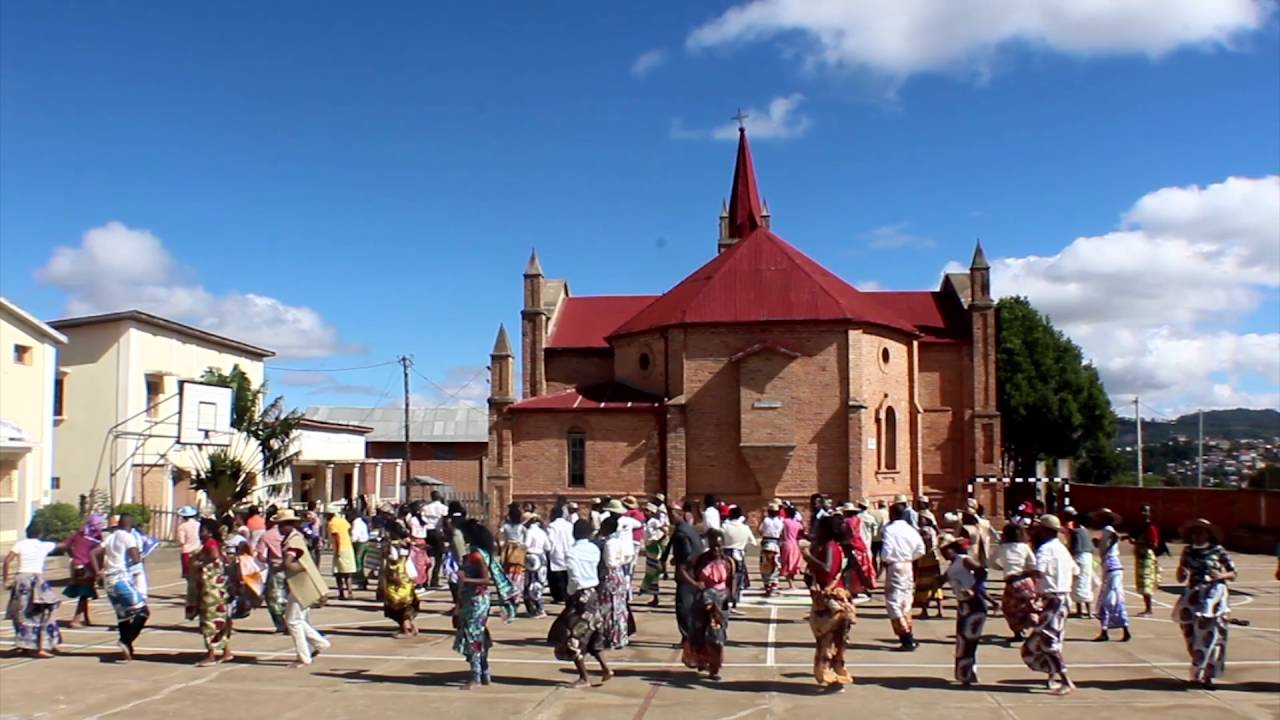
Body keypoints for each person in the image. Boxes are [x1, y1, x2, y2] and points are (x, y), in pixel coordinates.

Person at [548, 519, 611, 688]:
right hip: (594, 593)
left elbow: (574, 577)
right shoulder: (593, 549)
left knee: (573, 637)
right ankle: (605, 668)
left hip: (580, 595)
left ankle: (584, 677)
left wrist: (570, 593)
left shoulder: (572, 552)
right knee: (594, 632)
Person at [1173, 518, 1235, 689]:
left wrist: (1220, 576)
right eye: (1194, 532)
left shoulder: (1218, 550)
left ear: (1209, 534)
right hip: (1193, 595)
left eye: (1201, 532)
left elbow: (1233, 572)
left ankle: (1205, 676)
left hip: (1212, 595)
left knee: (1210, 636)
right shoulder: (1188, 551)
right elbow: (1181, 577)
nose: (1197, 535)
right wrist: (1181, 571)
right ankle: (1198, 668)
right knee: (1190, 635)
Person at [1021, 514, 1077, 695]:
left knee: (1047, 641)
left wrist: (1022, 577)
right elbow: (1076, 571)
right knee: (1053, 639)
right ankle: (1051, 677)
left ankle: (1066, 681)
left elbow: (1038, 571)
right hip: (1063, 597)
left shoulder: (1045, 549)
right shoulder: (1062, 549)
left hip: (1053, 598)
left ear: (1043, 530)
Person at [804, 515, 857, 692]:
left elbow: (826, 569)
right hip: (838, 597)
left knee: (826, 640)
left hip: (831, 601)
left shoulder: (829, 546)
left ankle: (830, 677)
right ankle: (836, 674)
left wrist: (808, 557)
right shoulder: (838, 547)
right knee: (837, 640)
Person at [278, 509, 331, 668]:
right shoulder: (295, 538)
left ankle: (303, 657)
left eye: (283, 524)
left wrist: (283, 565)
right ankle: (320, 643)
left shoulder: (293, 541)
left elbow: (292, 563)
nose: (280, 528)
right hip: (300, 584)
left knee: (293, 621)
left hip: (302, 584)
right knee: (296, 619)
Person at [94, 513, 149, 662]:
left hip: (109, 580)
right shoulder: (127, 536)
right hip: (120, 578)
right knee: (143, 611)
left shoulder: (111, 537)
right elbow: (136, 558)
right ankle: (126, 640)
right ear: (130, 525)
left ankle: (127, 650)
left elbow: (93, 552)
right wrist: (140, 555)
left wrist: (98, 572)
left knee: (123, 615)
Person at [679, 528, 733, 682]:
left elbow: (732, 581)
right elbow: (682, 569)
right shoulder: (701, 559)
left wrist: (729, 597)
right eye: (714, 546)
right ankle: (701, 660)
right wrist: (695, 584)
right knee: (699, 633)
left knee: (717, 636)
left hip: (719, 604)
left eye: (719, 546)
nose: (716, 549)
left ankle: (715, 668)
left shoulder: (727, 561)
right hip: (702, 601)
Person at [2, 531, 68, 657]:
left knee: (20, 613)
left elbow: (7, 561)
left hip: (21, 579)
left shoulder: (20, 544)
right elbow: (63, 545)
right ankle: (40, 647)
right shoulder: (44, 545)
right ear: (40, 534)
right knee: (42, 613)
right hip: (37, 580)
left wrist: (5, 580)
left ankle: (24, 644)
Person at [454, 521, 497, 689]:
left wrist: (465, 579)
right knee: (478, 635)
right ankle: (484, 672)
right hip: (473, 599)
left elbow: (486, 579)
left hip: (476, 600)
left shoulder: (476, 555)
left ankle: (476, 676)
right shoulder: (479, 553)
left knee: (473, 636)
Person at [186, 518, 233, 667]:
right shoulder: (216, 543)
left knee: (209, 622)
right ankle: (226, 652)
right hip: (217, 588)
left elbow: (213, 556)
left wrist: (198, 562)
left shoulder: (210, 543)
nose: (200, 533)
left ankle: (211, 654)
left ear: (210, 531)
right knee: (221, 621)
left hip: (210, 588)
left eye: (203, 530)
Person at [880, 503, 925, 650]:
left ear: (892, 514)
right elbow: (921, 549)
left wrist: (886, 559)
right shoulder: (911, 530)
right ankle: (908, 630)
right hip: (908, 565)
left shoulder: (889, 530)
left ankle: (906, 636)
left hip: (895, 565)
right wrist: (910, 557)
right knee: (906, 600)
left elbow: (886, 549)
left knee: (893, 601)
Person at [943, 537, 986, 686]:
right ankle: (966, 673)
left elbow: (981, 572)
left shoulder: (964, 560)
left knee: (969, 641)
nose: (943, 553)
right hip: (963, 605)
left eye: (945, 549)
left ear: (953, 548)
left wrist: (973, 590)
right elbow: (941, 580)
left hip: (974, 604)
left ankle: (968, 674)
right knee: (963, 641)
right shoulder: (952, 566)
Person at [664, 503, 706, 642]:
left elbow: (686, 556)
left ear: (680, 514)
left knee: (684, 608)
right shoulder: (689, 530)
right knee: (692, 607)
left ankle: (687, 637)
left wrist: (682, 567)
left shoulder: (681, 533)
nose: (670, 517)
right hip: (695, 571)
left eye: (672, 514)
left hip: (687, 575)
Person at [992, 523, 1037, 642]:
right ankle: (1035, 625)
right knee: (1029, 606)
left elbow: (990, 562)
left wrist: (1002, 568)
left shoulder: (1002, 547)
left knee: (1009, 609)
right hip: (1026, 581)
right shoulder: (1025, 546)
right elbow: (1033, 564)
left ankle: (1018, 632)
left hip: (1011, 582)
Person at [1091, 508, 1132, 642]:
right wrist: (1101, 544)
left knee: (1106, 600)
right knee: (1116, 598)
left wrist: (1108, 547)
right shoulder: (1107, 531)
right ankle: (1123, 628)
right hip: (1113, 566)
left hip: (1111, 566)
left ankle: (1105, 630)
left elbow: (1114, 538)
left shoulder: (1107, 529)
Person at [63, 512, 105, 628]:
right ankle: (76, 619)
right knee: (84, 593)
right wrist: (99, 570)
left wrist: (73, 556)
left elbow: (65, 546)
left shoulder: (78, 534)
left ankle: (86, 618)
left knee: (85, 592)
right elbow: (99, 554)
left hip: (76, 565)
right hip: (88, 567)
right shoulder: (96, 537)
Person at [599, 516, 634, 650]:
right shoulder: (619, 541)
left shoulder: (609, 543)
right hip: (619, 574)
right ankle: (620, 636)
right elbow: (627, 557)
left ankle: (612, 637)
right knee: (619, 607)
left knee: (610, 607)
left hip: (610, 576)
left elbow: (610, 563)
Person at [380, 521, 420, 637]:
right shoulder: (407, 543)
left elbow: (394, 559)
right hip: (406, 574)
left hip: (397, 576)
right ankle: (412, 626)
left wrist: (385, 553)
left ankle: (405, 629)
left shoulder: (394, 545)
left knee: (397, 603)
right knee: (408, 601)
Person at [257, 509, 289, 634]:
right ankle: (293, 621)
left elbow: (260, 555)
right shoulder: (294, 533)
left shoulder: (267, 535)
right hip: (292, 568)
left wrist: (268, 561)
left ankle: (281, 624)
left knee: (273, 598)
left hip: (276, 568)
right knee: (290, 596)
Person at [1128, 504, 1161, 617]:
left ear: (1150, 513)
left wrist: (1137, 543)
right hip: (1140, 556)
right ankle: (1147, 608)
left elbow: (1154, 545)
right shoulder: (1140, 526)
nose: (1143, 513)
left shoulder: (1150, 527)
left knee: (1146, 583)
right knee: (1142, 584)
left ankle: (1149, 609)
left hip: (1146, 557)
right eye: (1141, 511)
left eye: (1145, 511)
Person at [720, 507, 756, 613]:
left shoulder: (724, 526)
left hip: (725, 555)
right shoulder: (745, 528)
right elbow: (753, 542)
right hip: (739, 555)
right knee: (738, 578)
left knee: (724, 578)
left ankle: (725, 601)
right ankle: (735, 601)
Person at [1062, 507, 1094, 618]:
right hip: (1086, 556)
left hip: (1079, 556)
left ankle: (1084, 611)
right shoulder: (1082, 529)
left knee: (1079, 582)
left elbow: (1071, 544)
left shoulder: (1072, 528)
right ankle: (1084, 611)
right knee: (1083, 582)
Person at [840, 502, 875, 597]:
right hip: (860, 545)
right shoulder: (858, 520)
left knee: (849, 568)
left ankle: (851, 589)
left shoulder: (846, 522)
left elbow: (847, 535)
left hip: (850, 546)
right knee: (860, 568)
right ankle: (863, 587)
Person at [913, 515, 945, 619]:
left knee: (923, 585)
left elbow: (923, 545)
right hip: (934, 558)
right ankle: (940, 610)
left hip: (925, 559)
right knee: (936, 584)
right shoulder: (932, 530)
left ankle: (925, 611)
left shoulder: (923, 531)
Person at [640, 503, 668, 607]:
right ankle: (652, 594)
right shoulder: (647, 522)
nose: (645, 513)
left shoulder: (654, 522)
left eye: (647, 511)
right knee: (651, 572)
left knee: (653, 573)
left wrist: (658, 541)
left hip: (654, 548)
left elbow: (665, 531)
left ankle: (655, 596)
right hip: (649, 548)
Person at [523, 513, 550, 617]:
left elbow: (526, 545)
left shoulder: (530, 532)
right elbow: (548, 546)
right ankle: (538, 608)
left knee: (532, 584)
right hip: (541, 557)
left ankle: (538, 609)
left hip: (532, 558)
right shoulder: (542, 532)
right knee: (540, 583)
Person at [500, 503, 528, 602]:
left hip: (508, 549)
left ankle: (508, 591)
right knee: (518, 572)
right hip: (518, 549)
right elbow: (526, 538)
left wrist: (501, 544)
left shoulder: (506, 526)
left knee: (507, 571)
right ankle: (517, 593)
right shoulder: (521, 527)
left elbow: (499, 533)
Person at [548, 504, 575, 604]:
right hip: (568, 551)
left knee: (557, 576)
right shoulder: (569, 525)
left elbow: (551, 540)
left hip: (556, 552)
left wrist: (549, 550)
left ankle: (559, 597)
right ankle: (567, 595)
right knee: (566, 574)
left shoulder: (552, 526)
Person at [326, 509, 356, 600]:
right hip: (348, 547)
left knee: (338, 573)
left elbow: (336, 537)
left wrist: (337, 550)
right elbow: (349, 529)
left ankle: (341, 593)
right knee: (348, 573)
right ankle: (350, 592)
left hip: (341, 549)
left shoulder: (332, 523)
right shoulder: (342, 520)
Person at [422, 491, 449, 588]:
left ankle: (424, 580)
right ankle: (434, 579)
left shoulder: (425, 507)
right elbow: (445, 521)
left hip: (427, 532)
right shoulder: (443, 508)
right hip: (437, 532)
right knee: (438, 557)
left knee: (426, 557)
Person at [759, 500, 784, 597]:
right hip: (776, 544)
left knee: (765, 565)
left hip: (766, 543)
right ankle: (773, 587)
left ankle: (767, 587)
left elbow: (760, 530)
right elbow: (782, 533)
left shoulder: (765, 520)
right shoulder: (780, 521)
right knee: (776, 566)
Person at [406, 501, 433, 590]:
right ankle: (424, 580)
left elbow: (409, 525)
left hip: (415, 540)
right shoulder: (423, 519)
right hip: (422, 541)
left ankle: (419, 581)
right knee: (423, 562)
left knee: (417, 563)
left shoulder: (412, 519)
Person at [779, 505, 804, 589]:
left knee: (786, 564)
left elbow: (780, 531)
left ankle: (791, 585)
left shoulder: (784, 522)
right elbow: (802, 531)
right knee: (793, 565)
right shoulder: (797, 523)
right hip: (795, 545)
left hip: (786, 544)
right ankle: (792, 584)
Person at [176, 505, 201, 579]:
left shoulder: (182, 527)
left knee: (188, 574)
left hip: (187, 551)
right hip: (198, 549)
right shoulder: (199, 524)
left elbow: (182, 541)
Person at [350, 508, 371, 591]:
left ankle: (360, 581)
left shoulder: (356, 523)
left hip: (360, 544)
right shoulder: (362, 522)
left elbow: (355, 535)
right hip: (365, 542)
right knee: (361, 562)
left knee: (357, 562)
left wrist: (351, 541)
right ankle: (363, 580)